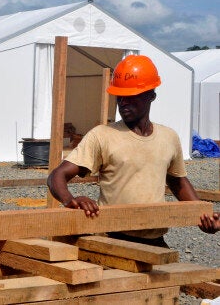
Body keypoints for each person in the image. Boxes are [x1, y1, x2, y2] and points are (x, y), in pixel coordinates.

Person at [47, 54, 219, 248]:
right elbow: (57, 176)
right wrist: (71, 200)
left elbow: (177, 181)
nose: (123, 103)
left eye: (131, 97)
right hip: (112, 239)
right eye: (120, 97)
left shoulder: (168, 137)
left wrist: (201, 215)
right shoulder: (103, 135)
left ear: (151, 95)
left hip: (155, 241)